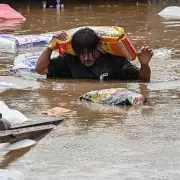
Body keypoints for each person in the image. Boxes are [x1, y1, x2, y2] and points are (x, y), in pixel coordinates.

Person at [35, 27, 153, 82]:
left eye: (89, 53)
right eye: (82, 54)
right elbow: (41, 69)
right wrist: (51, 46)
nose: (86, 58)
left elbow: (143, 80)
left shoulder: (116, 61)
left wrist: (144, 65)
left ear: (98, 48)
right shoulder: (69, 60)